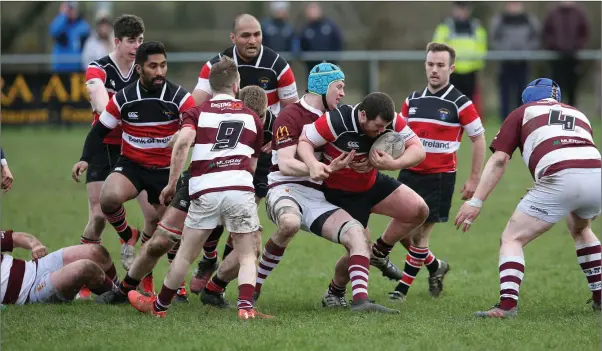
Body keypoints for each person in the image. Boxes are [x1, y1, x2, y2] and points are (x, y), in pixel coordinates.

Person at [94, 85, 273, 307]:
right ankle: (125, 288)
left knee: (252, 245)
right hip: (199, 182)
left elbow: (262, 173)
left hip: (238, 188)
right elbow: (180, 139)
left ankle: (214, 288)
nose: (260, 119)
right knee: (162, 240)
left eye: (263, 116)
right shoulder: (221, 116)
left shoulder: (269, 126)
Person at [127, 56, 270, 320]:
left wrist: (171, 184)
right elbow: (251, 167)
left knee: (185, 254)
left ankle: (159, 308)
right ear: (236, 85)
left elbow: (181, 144)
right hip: (239, 189)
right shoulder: (253, 118)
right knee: (248, 253)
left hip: (205, 188)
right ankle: (246, 308)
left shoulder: (198, 112)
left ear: (211, 86)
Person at [255, 62, 399, 314]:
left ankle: (361, 302)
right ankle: (253, 286)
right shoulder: (291, 115)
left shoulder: (338, 116)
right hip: (284, 188)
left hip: (317, 194)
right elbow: (287, 164)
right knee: (289, 223)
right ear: (323, 88)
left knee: (358, 235)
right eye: (338, 87)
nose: (342, 93)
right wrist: (319, 167)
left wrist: (371, 159)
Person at [455, 78, 601, 317]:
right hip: (596, 175)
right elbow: (572, 151)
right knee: (581, 228)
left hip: (560, 177)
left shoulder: (523, 112)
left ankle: (507, 306)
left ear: (527, 98)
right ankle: (600, 296)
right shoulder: (578, 114)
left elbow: (500, 160)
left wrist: (476, 201)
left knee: (512, 237)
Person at [72, 41, 196, 293]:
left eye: (163, 65)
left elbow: (197, 129)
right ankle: (127, 234)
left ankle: (167, 282)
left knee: (167, 228)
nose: (160, 71)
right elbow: (99, 131)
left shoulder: (180, 97)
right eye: (153, 66)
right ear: (139, 68)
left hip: (164, 171)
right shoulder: (124, 98)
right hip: (132, 166)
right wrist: (85, 158)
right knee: (107, 199)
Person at [189, 13, 298, 291]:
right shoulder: (217, 65)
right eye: (246, 35)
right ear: (233, 37)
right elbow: (196, 102)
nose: (252, 41)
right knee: (215, 211)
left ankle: (220, 278)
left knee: (243, 213)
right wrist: (188, 128)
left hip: (261, 153)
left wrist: (277, 141)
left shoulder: (277, 65)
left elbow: (292, 112)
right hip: (224, 149)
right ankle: (208, 258)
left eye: (257, 34)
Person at [297, 92, 430, 306]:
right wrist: (313, 165)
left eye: (385, 127)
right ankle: (335, 292)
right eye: (377, 126)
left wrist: (393, 164)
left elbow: (418, 150)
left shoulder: (390, 120)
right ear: (362, 115)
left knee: (419, 210)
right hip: (341, 193)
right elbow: (304, 141)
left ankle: (381, 251)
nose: (382, 131)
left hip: (372, 183)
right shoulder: (336, 121)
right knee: (359, 249)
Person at [392, 42, 485, 301]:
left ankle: (401, 289)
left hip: (439, 177)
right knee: (402, 234)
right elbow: (398, 136)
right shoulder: (412, 100)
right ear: (425, 65)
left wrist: (474, 179)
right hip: (409, 173)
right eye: (430, 64)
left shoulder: (461, 102)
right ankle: (435, 266)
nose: (435, 70)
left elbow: (478, 139)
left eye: (440, 65)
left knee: (421, 235)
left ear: (451, 68)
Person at [72, 14, 155, 299]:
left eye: (140, 41)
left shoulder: (144, 70)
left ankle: (144, 279)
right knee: (97, 217)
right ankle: (85, 276)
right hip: (102, 147)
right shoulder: (99, 69)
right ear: (117, 41)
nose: (137, 46)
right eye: (131, 41)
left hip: (136, 148)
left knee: (152, 217)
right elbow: (98, 99)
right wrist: (117, 113)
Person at [1, 230, 119, 305]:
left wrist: (35, 245)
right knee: (85, 268)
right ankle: (121, 296)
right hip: (30, 293)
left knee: (97, 252)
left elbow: (15, 237)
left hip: (36, 266)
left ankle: (121, 288)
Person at [433, 1, 487, 115]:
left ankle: (468, 125)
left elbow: (482, 47)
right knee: (450, 101)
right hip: (451, 70)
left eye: (464, 9)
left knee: (468, 103)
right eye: (459, 8)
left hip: (471, 70)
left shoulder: (477, 27)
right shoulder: (445, 27)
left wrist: (477, 65)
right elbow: (438, 46)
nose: (462, 12)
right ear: (454, 10)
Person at [489, 1, 540, 120]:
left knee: (522, 92)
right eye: (511, 4)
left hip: (523, 62)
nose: (514, 7)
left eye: (516, 4)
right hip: (505, 62)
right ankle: (505, 119)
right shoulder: (500, 19)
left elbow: (536, 37)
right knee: (505, 92)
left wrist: (527, 50)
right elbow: (493, 38)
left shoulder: (529, 19)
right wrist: (503, 51)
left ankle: (521, 118)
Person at [49, 1, 90, 73]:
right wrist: (62, 15)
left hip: (77, 69)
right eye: (69, 9)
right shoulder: (60, 22)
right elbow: (53, 31)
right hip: (59, 68)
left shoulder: (83, 26)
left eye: (73, 9)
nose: (71, 11)